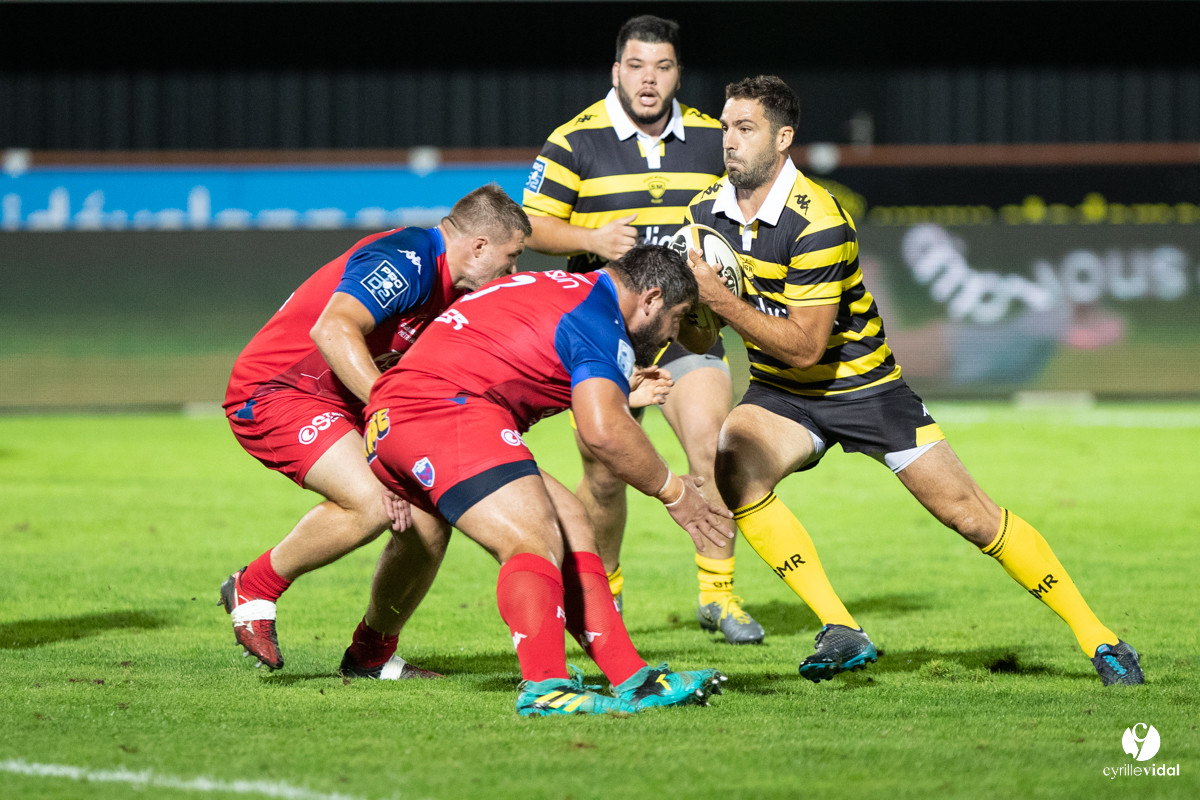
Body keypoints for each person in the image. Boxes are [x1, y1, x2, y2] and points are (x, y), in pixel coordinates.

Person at [685, 75, 1143, 687]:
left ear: (784, 138)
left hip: (865, 389)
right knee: (734, 465)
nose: (729, 141)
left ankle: (1100, 638)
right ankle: (840, 628)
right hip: (782, 395)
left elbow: (805, 345)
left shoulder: (819, 219)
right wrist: (688, 319)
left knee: (972, 517)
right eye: (725, 128)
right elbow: (707, 333)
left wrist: (718, 297)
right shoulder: (702, 212)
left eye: (746, 129)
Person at [357, 244, 733, 715]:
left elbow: (516, 353)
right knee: (532, 540)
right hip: (439, 412)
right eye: (677, 319)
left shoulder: (568, 289)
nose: (672, 335)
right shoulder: (601, 320)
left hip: (412, 412)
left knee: (572, 522)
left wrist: (621, 385)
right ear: (652, 298)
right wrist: (675, 493)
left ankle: (631, 676)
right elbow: (604, 431)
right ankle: (547, 688)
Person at [522, 14, 764, 644]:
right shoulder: (575, 140)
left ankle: (719, 594)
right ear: (616, 71)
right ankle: (607, 598)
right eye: (636, 66)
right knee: (606, 472)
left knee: (712, 450)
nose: (648, 80)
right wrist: (588, 237)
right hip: (607, 333)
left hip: (687, 327)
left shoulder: (715, 138)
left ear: (678, 73)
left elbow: (752, 207)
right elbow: (531, 225)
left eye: (661, 67)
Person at [219, 184, 529, 675]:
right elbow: (332, 330)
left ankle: (370, 657)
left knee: (428, 520)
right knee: (370, 502)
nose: (511, 273)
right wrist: (397, 424)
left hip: (347, 403)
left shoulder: (456, 293)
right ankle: (254, 585)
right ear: (479, 247)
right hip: (276, 392)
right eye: (511, 259)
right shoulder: (407, 259)